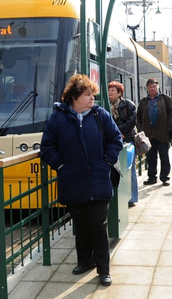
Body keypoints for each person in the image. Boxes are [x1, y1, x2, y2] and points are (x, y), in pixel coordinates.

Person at [40, 74, 122, 287]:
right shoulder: (58, 118)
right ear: (75, 97)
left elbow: (115, 139)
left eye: (92, 94)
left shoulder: (100, 115)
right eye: (88, 95)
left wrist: (107, 160)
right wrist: (61, 166)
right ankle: (84, 262)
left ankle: (104, 270)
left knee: (98, 226)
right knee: (81, 225)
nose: (92, 98)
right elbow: (47, 147)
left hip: (98, 179)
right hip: (72, 180)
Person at [136, 78, 172, 187]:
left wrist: (168, 128)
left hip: (162, 134)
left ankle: (165, 178)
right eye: (150, 87)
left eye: (154, 86)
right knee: (151, 157)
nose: (152, 89)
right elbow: (138, 117)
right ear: (147, 88)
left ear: (157, 87)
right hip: (148, 135)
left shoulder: (165, 99)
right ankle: (152, 177)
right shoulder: (144, 101)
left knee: (164, 157)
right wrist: (141, 130)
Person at [108, 81, 138, 207]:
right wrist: (116, 134)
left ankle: (132, 198)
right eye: (109, 90)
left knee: (129, 170)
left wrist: (119, 131)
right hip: (115, 140)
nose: (110, 92)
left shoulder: (128, 104)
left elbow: (132, 121)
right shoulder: (106, 105)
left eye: (113, 90)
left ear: (119, 93)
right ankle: (119, 197)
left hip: (128, 139)